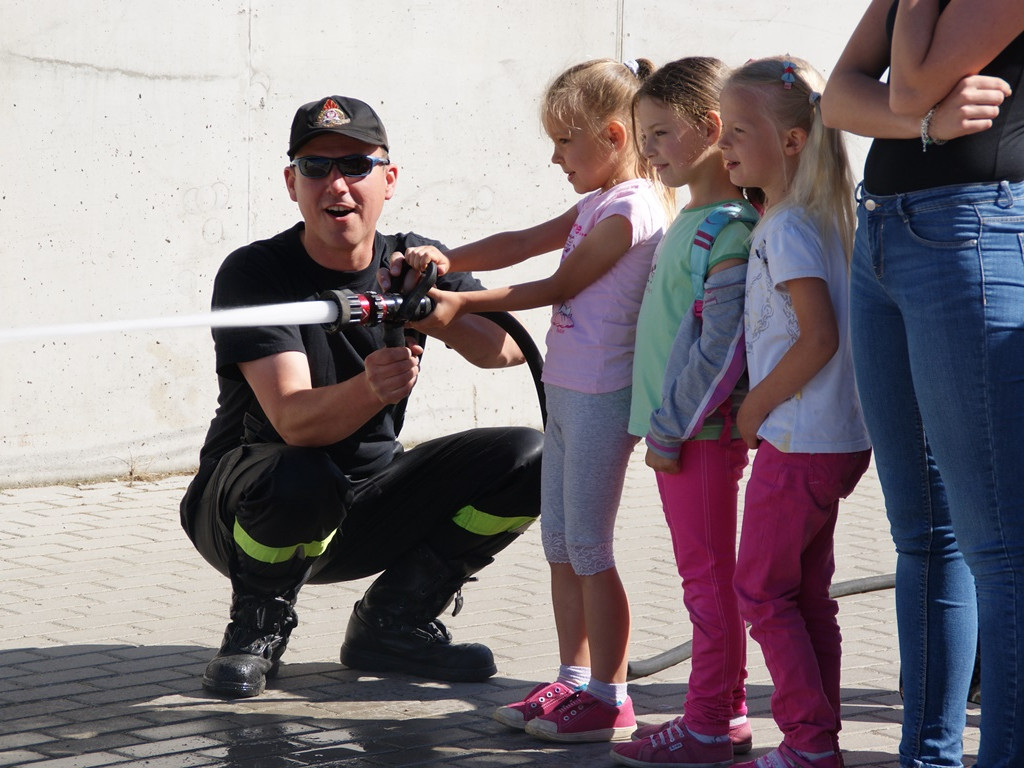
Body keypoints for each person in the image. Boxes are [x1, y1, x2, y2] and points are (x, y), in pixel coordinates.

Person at [178, 95, 544, 699]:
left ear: (389, 179)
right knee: (304, 471)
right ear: (292, 183)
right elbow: (295, 421)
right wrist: (371, 388)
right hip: (249, 504)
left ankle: (394, 621)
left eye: (355, 165)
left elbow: (503, 351)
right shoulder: (257, 274)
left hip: (367, 500)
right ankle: (256, 629)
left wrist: (434, 308)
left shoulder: (413, 258)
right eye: (316, 168)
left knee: (534, 459)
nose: (337, 184)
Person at [402, 58, 668, 743]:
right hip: (566, 392)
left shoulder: (635, 207)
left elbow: (560, 282)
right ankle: (573, 680)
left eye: (564, 142)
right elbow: (522, 242)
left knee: (589, 548)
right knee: (558, 544)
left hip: (602, 398)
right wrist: (445, 257)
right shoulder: (595, 204)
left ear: (612, 136)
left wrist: (462, 298)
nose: (554, 158)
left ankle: (611, 696)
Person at [821, 3, 1024, 766]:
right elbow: (839, 98)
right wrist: (931, 128)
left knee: (1001, 546)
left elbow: (904, 88)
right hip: (887, 237)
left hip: (974, 232)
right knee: (925, 536)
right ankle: (926, 757)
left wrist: (914, 106)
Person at [717, 57, 873, 768]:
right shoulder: (825, 219)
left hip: (800, 439)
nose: (724, 148)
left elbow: (818, 337)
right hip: (835, 439)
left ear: (791, 142)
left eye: (737, 132)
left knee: (761, 590)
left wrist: (756, 405)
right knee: (807, 595)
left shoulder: (786, 230)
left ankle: (809, 745)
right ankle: (820, 740)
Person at [608, 57, 760, 768]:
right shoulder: (694, 219)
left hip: (697, 435)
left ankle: (710, 726)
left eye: (663, 132)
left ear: (712, 129)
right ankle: (720, 715)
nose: (651, 150)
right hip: (684, 434)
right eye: (645, 135)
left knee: (708, 581)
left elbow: (721, 348)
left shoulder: (725, 227)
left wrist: (670, 429)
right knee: (705, 577)